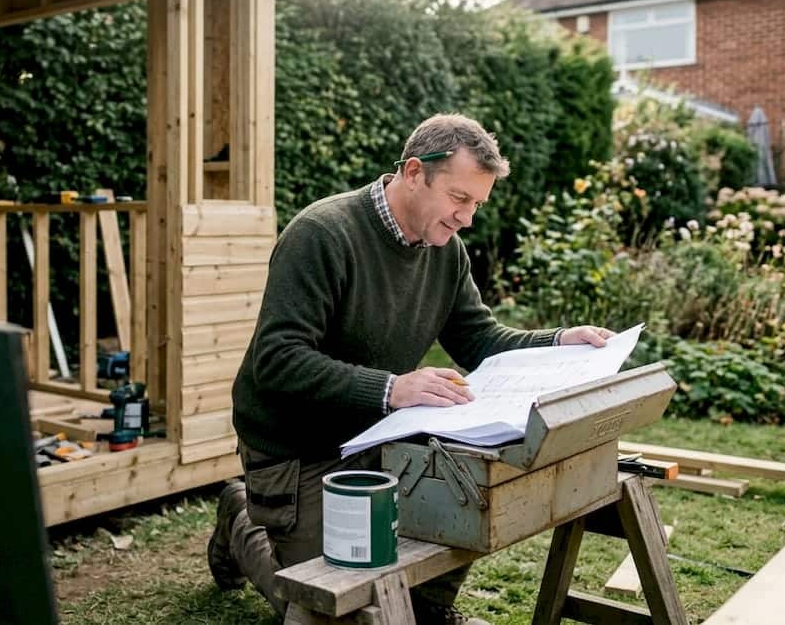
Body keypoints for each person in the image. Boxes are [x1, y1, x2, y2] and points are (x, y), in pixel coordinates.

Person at [206, 113, 615, 624]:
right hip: (296, 448)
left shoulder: (447, 252)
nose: (467, 217)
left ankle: (430, 605)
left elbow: (481, 339)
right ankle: (241, 518)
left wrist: (559, 341)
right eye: (459, 199)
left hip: (381, 435)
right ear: (415, 172)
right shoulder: (321, 234)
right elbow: (277, 360)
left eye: (477, 204)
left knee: (465, 497)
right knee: (329, 606)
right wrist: (393, 388)